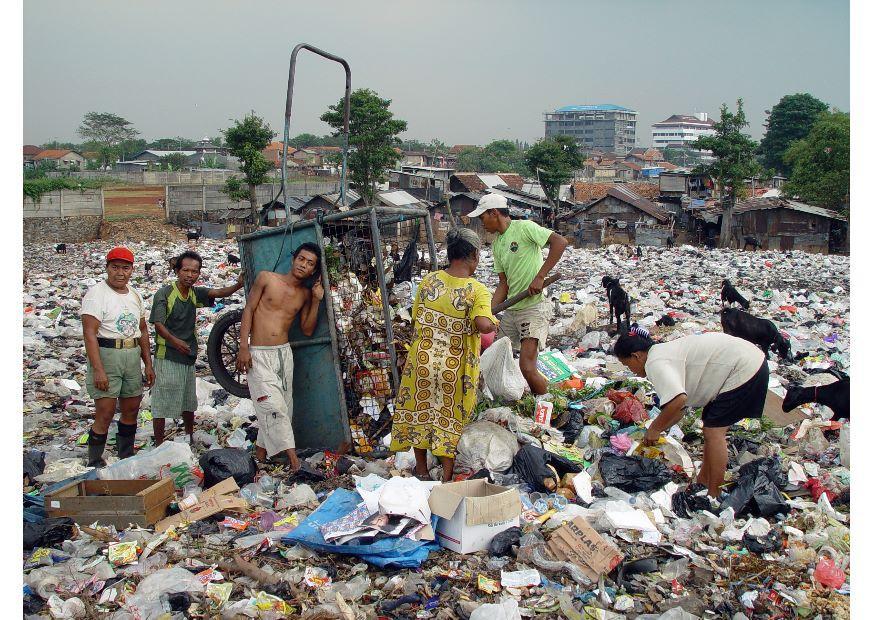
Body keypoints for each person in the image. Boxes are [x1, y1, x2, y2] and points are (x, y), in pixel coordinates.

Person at [390, 228, 498, 482]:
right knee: (447, 421)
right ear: (473, 255)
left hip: (422, 363)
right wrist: (492, 322)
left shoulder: (429, 282)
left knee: (420, 412)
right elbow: (483, 325)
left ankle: (421, 470)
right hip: (453, 368)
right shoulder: (476, 290)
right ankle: (446, 477)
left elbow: (417, 316)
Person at [613, 331, 769, 498]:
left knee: (714, 432)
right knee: (709, 426)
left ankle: (714, 494)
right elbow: (679, 410)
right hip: (747, 362)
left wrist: (655, 428)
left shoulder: (654, 362)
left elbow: (678, 400)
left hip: (744, 368)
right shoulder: (661, 353)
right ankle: (702, 483)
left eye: (627, 364)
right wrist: (655, 431)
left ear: (636, 356)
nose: (631, 370)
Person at [468, 193, 568, 399]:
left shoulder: (525, 228)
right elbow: (503, 284)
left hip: (533, 307)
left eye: (482, 217)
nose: (482, 223)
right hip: (512, 310)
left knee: (527, 367)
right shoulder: (497, 244)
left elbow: (560, 242)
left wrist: (540, 276)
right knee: (494, 359)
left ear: (494, 213)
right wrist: (488, 312)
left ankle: (546, 405)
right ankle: (504, 400)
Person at [236, 242, 324, 471]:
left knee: (285, 405)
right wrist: (243, 347)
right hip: (258, 353)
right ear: (294, 259)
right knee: (273, 406)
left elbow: (306, 329)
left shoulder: (304, 294)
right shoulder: (266, 278)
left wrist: (315, 300)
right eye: (301, 259)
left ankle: (261, 454)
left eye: (310, 263)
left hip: (284, 354)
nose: (303, 265)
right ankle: (294, 461)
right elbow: (248, 310)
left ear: (313, 270)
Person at [149, 250, 244, 445]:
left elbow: (218, 293)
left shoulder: (193, 293)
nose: (190, 275)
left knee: (188, 400)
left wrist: (239, 284)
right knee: (162, 401)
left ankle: (189, 436)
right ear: (177, 270)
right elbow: (158, 324)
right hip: (167, 355)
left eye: (194, 271)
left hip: (187, 356)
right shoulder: (165, 294)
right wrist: (175, 341)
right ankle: (159, 443)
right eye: (186, 270)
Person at [81, 247, 155, 467]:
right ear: (107, 268)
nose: (120, 273)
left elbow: (142, 330)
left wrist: (148, 364)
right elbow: (90, 334)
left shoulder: (134, 294)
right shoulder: (96, 295)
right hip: (107, 355)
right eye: (115, 267)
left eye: (125, 268)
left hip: (131, 355)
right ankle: (94, 460)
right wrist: (98, 369)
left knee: (131, 408)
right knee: (105, 411)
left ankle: (126, 456)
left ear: (132, 270)